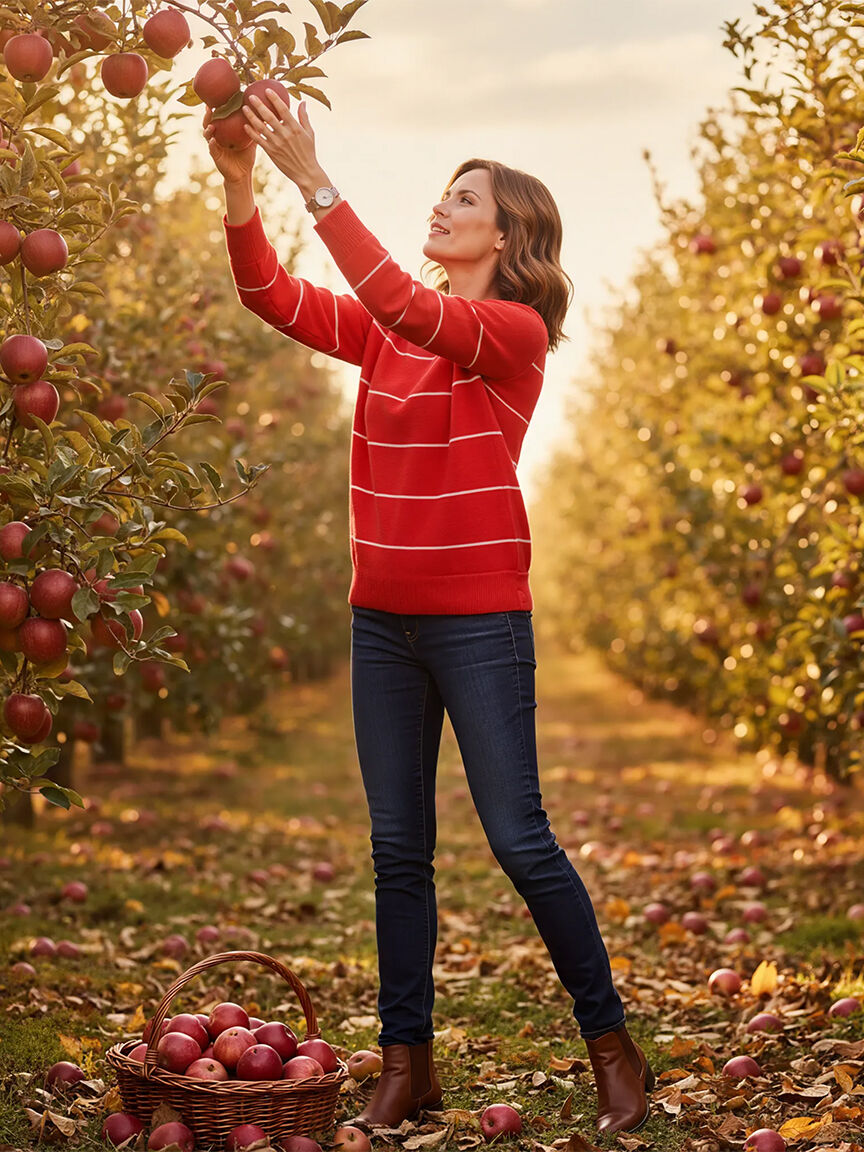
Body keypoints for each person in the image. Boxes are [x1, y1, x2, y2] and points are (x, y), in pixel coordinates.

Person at [205, 88, 655, 1136]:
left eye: (466, 199)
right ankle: (407, 1063)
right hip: (384, 625)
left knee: (520, 839)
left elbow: (414, 310)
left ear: (510, 235)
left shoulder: (508, 331)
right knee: (395, 852)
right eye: (443, 194)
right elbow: (274, 295)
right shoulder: (390, 332)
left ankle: (612, 1043)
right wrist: (240, 187)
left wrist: (316, 181)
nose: (442, 208)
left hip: (477, 621)